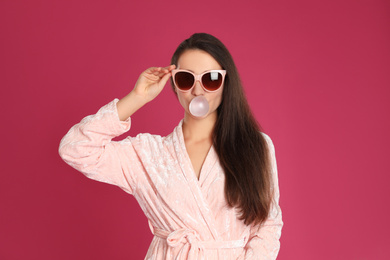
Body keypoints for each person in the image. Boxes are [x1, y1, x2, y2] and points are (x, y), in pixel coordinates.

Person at [59, 33, 283, 259]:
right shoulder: (147, 154)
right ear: (174, 85)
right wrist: (137, 97)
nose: (198, 91)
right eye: (186, 79)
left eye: (211, 79)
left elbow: (267, 225)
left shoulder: (256, 146)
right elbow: (75, 148)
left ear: (226, 83)